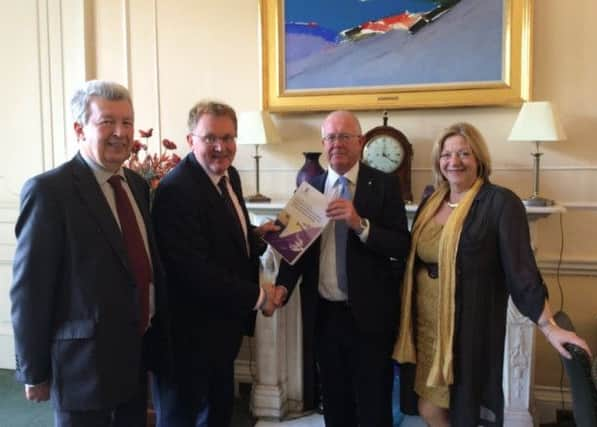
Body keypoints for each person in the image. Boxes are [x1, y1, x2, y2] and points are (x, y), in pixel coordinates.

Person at [392, 122, 591, 426]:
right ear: (438, 160)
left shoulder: (499, 202)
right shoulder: (431, 200)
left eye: (464, 153)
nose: (454, 161)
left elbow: (521, 270)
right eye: (446, 154)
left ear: (479, 159)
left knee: (462, 408)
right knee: (429, 406)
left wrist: (550, 327)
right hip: (426, 328)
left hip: (469, 327)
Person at [10, 80, 170, 426]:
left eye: (127, 122)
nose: (120, 132)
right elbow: (30, 290)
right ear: (80, 128)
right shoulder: (50, 192)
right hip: (82, 367)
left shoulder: (137, 185)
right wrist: (33, 370)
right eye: (107, 122)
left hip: (135, 355)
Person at [272, 110, 411, 427]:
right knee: (335, 405)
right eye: (331, 137)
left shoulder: (385, 185)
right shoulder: (310, 189)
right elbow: (295, 252)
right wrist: (281, 287)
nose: (337, 143)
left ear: (360, 142)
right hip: (325, 316)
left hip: (371, 317)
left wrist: (359, 224)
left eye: (345, 136)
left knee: (374, 404)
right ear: (323, 143)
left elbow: (401, 244)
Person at [150, 100, 281, 427]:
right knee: (183, 416)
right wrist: (260, 297)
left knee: (218, 411)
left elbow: (223, 239)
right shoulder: (175, 190)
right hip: (187, 338)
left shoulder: (229, 176)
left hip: (222, 330)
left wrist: (256, 236)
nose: (221, 147)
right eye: (210, 138)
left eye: (229, 137)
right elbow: (194, 270)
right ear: (190, 140)